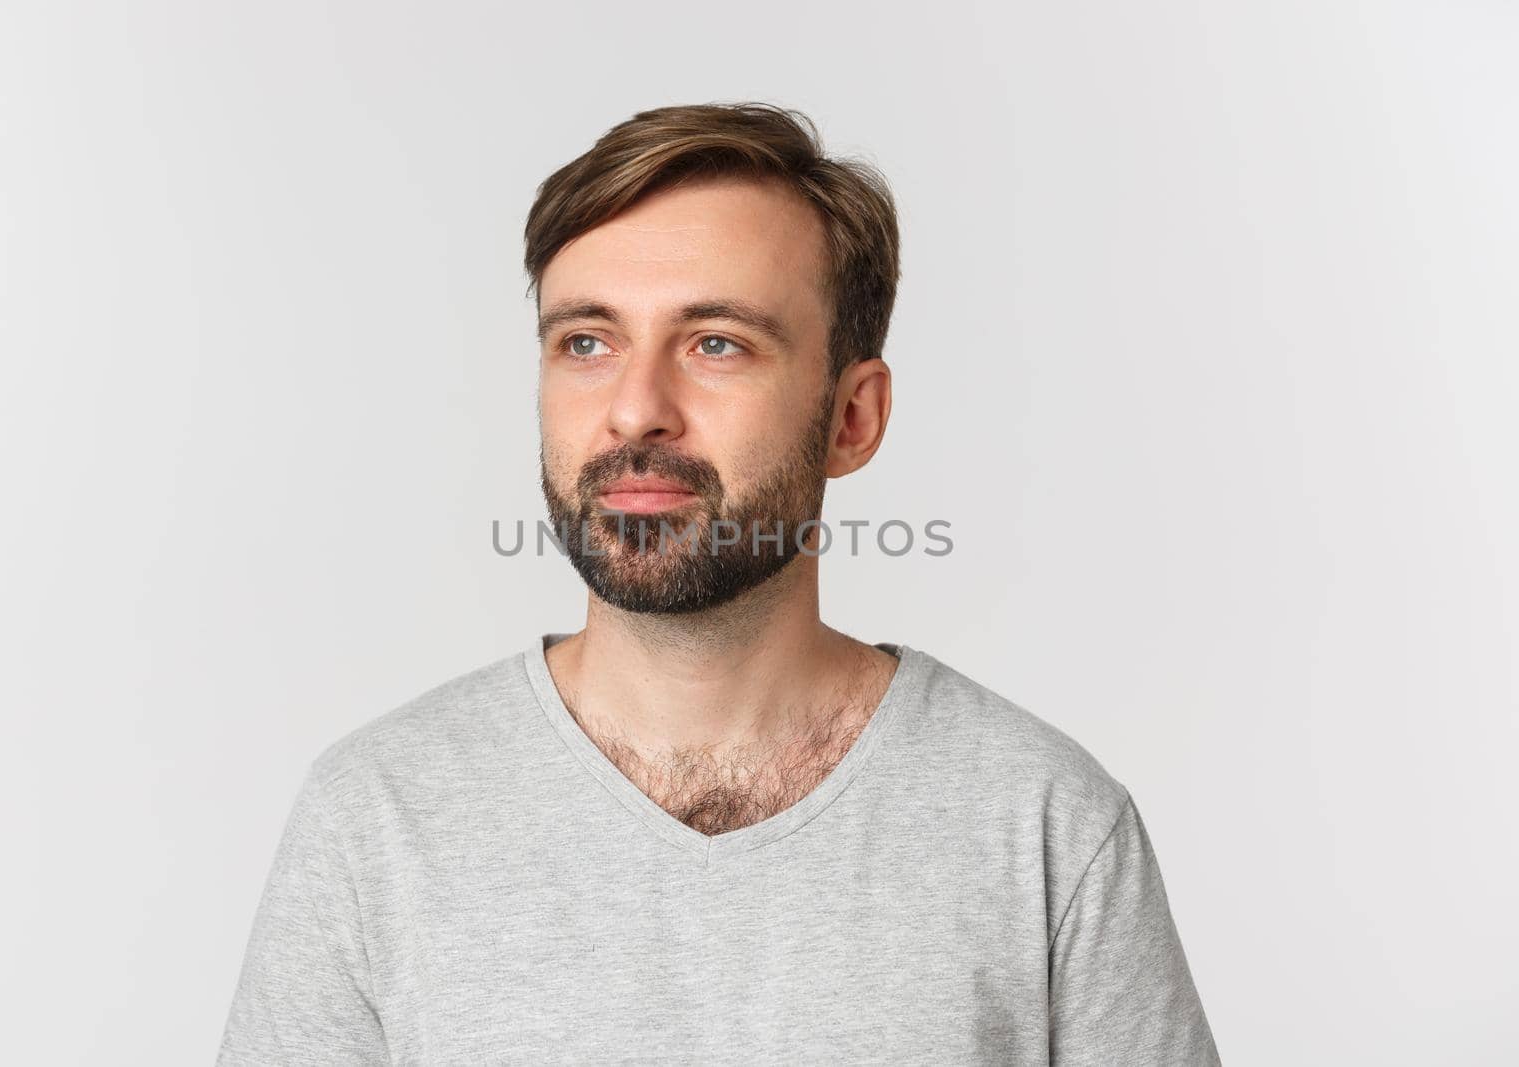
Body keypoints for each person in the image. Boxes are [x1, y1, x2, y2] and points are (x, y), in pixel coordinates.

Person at [217, 102, 1220, 1065]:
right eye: (587, 342)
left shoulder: (1045, 824)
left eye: (716, 344)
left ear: (852, 418)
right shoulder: (377, 816)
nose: (635, 410)